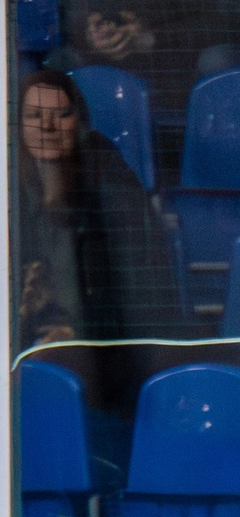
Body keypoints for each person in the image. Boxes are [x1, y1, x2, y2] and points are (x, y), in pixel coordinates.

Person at [13, 70, 180, 369]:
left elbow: (141, 293)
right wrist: (22, 315)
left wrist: (79, 334)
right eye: (35, 115)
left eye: (61, 114)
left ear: (78, 121)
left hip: (104, 356)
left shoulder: (109, 178)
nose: (48, 127)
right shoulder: (8, 185)